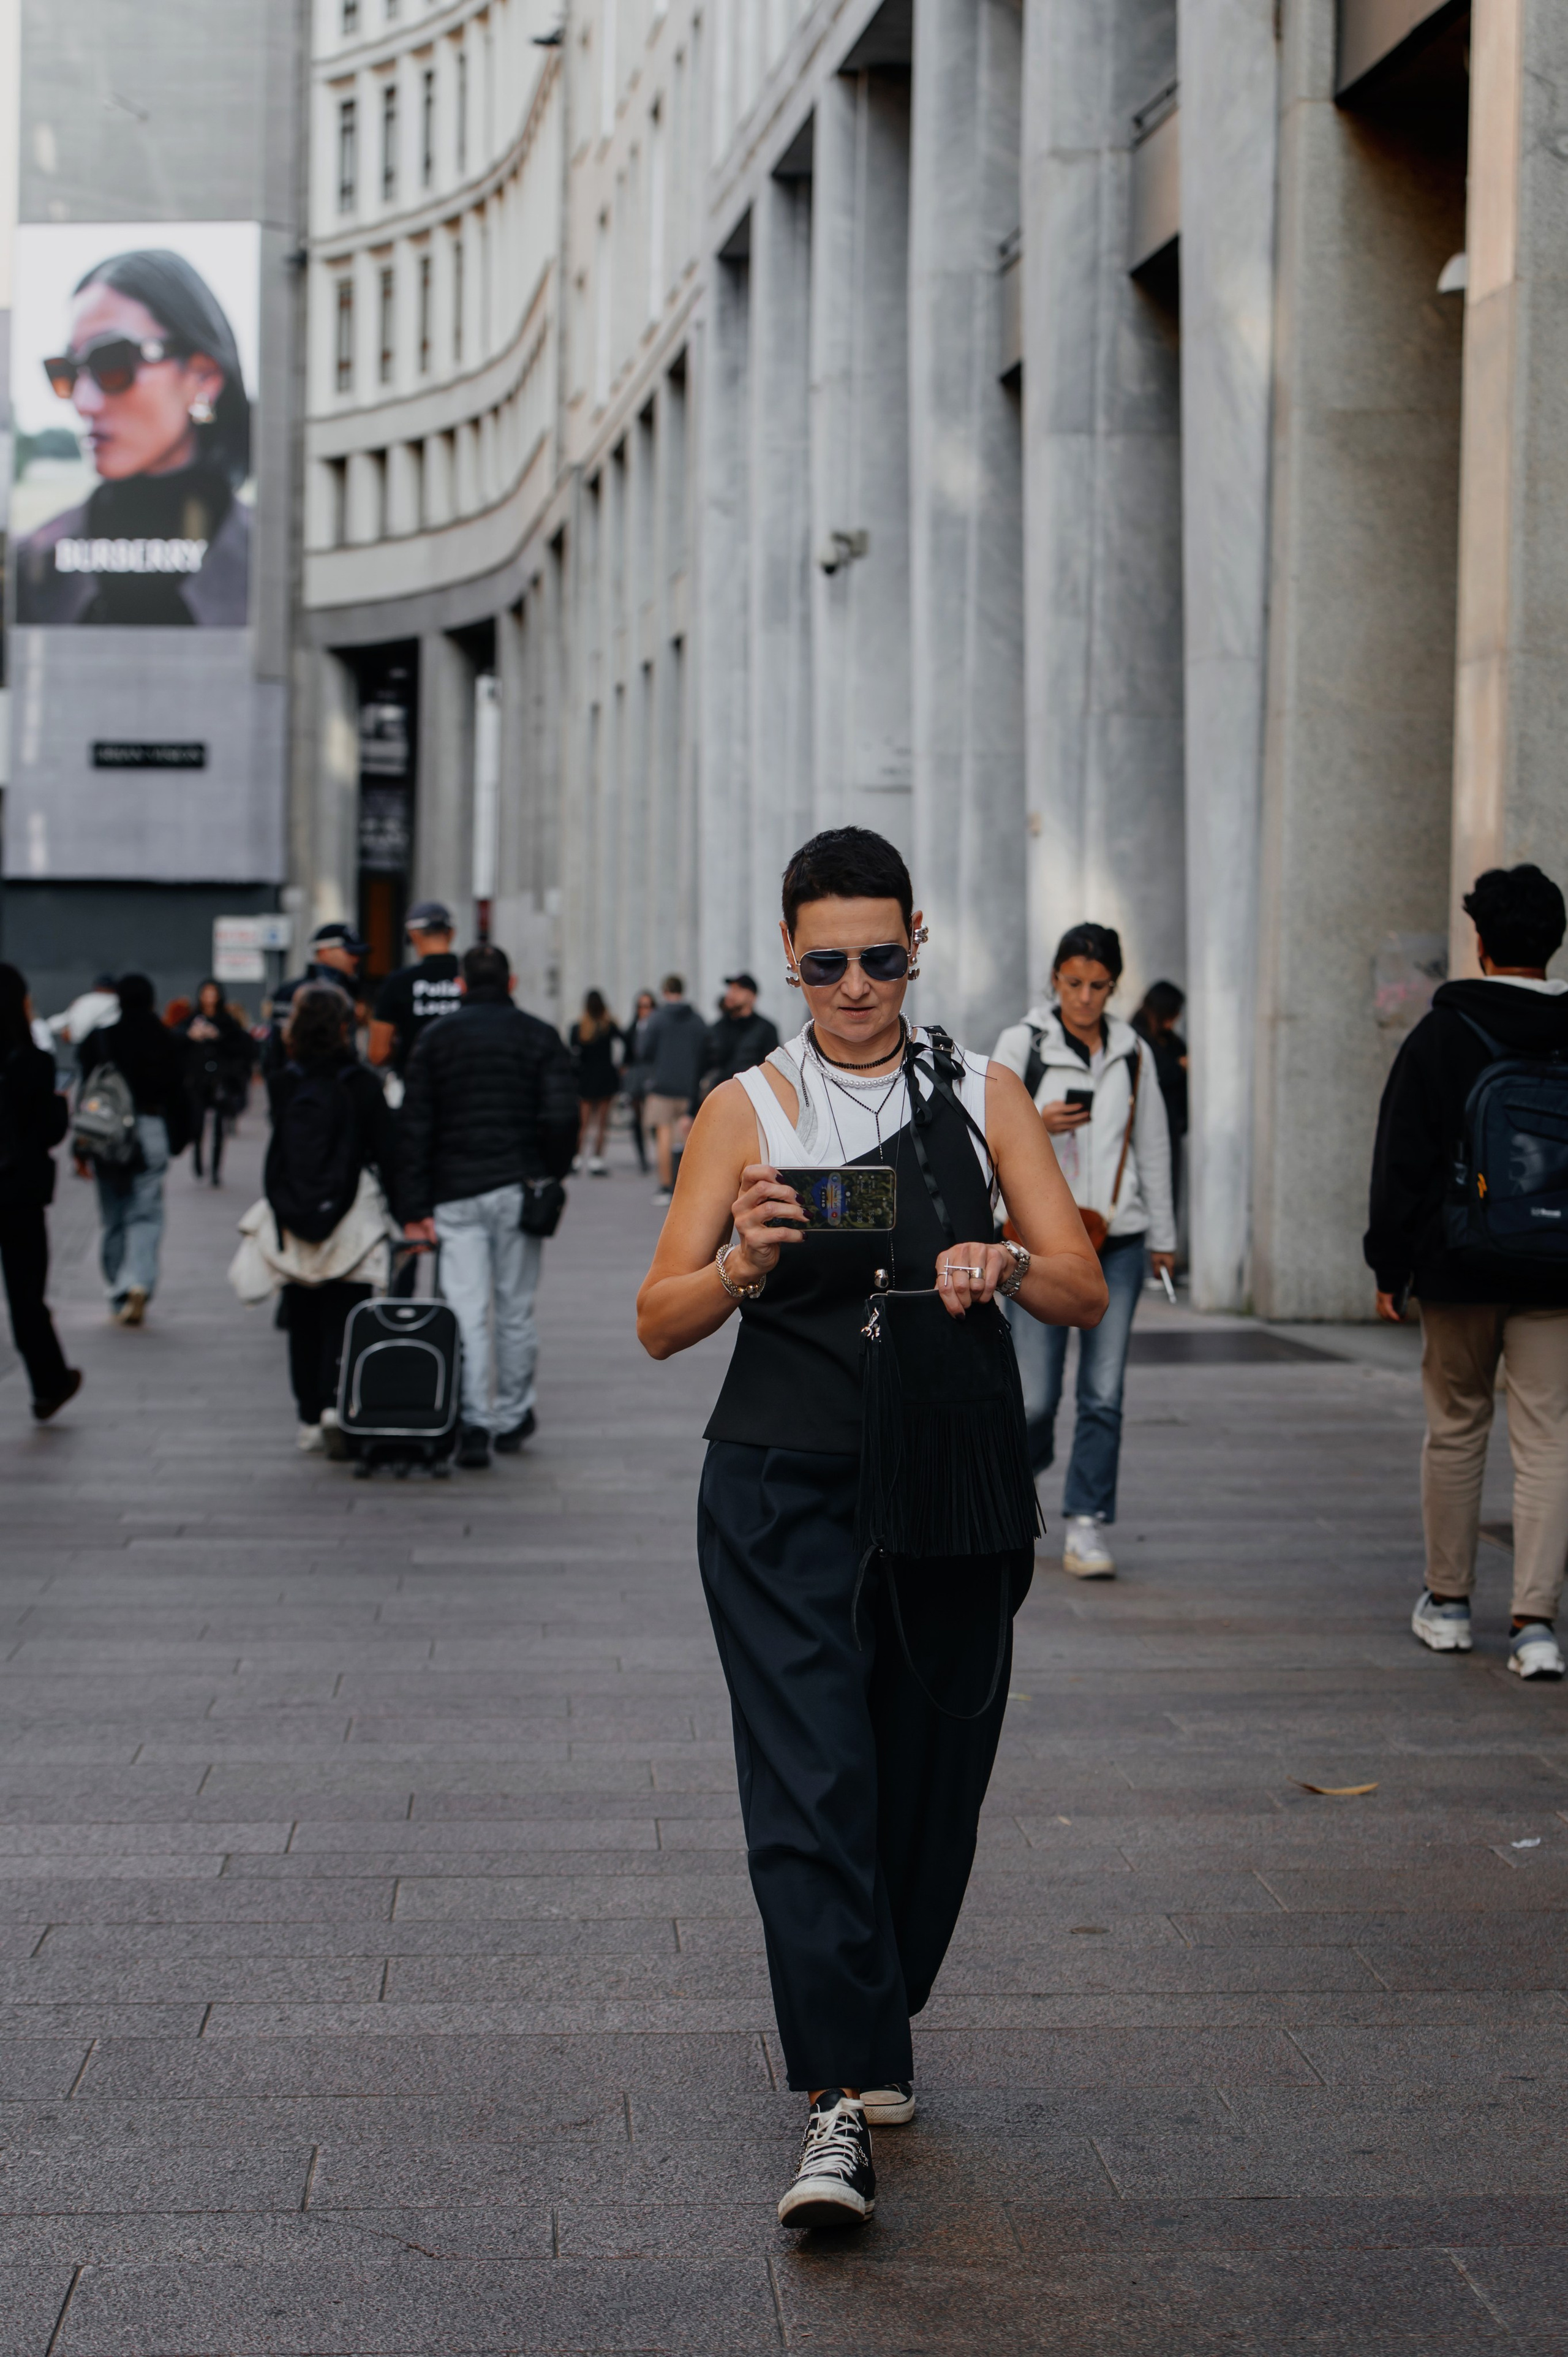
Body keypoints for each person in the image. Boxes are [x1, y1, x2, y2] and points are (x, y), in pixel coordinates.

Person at [637, 824, 1106, 2231]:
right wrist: (737, 1260)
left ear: (918, 939)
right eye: (826, 959)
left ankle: (871, 1996)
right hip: (778, 1481)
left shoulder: (983, 1092)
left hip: (948, 1486)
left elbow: (1080, 1282)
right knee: (813, 1777)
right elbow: (658, 1319)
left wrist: (1007, 1258)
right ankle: (833, 2096)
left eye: (879, 955)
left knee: (926, 1775)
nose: (853, 984)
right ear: (788, 953)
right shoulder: (745, 1104)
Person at [1366, 864, 1568, 1680]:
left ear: (1480, 943)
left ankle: (1448, 1606)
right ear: (1553, 944)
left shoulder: (1442, 1035)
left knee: (1455, 1425)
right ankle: (1535, 1625)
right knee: (1549, 1436)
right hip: (1558, 1270)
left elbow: (1402, 1159)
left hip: (1456, 1263)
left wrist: (1391, 1262)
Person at [992, 924, 1176, 1578]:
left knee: (1104, 1391)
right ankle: (1025, 1469)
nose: (1085, 998)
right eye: (1073, 983)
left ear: (1114, 986)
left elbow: (1152, 1143)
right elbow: (981, 1134)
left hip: (1117, 1240)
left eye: (1099, 986)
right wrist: (1033, 1122)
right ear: (1054, 979)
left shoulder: (1132, 1051)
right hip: (1039, 1242)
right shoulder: (1023, 1044)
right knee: (1035, 1395)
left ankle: (1087, 1522)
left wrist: (1164, 1238)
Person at [400, 943, 578, 1469]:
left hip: (455, 1191)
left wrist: (413, 1201)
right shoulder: (539, 1036)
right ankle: (512, 1415)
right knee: (515, 1309)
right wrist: (550, 1172)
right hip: (517, 1186)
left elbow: (414, 1127)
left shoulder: (435, 1040)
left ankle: (474, 1420)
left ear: (460, 985)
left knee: (466, 1310)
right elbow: (563, 1117)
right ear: (512, 981)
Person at [15, 246, 251, 627]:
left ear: (203, 377)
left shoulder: (273, 562)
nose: (83, 402)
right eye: (67, 372)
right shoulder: (29, 565)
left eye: (112, 363)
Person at [264, 984, 398, 1452]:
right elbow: (388, 1152)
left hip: (296, 1209)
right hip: (350, 1212)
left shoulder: (285, 1081)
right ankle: (335, 1404)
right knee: (348, 1312)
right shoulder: (362, 1083)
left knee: (302, 1314)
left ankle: (307, 1411)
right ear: (345, 1027)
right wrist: (411, 1215)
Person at [78, 973, 190, 1327]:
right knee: (146, 1213)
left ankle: (117, 1290)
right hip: (151, 1128)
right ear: (152, 1001)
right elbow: (180, 1093)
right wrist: (179, 1139)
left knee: (112, 1216)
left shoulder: (99, 1040)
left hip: (107, 1134)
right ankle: (138, 1281)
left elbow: (86, 1093)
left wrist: (80, 1148)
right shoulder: (166, 1040)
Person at [0, 965, 80, 1421]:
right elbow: (50, 1131)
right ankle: (49, 1384)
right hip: (20, 1194)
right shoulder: (34, 1061)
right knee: (27, 1295)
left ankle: (52, 1382)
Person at [368, 901, 464, 1079]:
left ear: (414, 935)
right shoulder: (471, 977)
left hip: (415, 1085)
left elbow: (378, 1054)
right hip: (466, 1085)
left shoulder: (399, 982)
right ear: (451, 933)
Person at [179, 978, 254, 1186]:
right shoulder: (192, 1019)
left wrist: (217, 1036)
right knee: (197, 1123)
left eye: (213, 994)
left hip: (221, 1079)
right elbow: (177, 1040)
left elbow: (242, 1045)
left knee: (220, 1126)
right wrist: (191, 1036)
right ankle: (197, 1162)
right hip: (197, 1078)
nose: (210, 998)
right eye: (206, 993)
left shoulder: (226, 1021)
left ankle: (215, 1170)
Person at [265, 923, 368, 1073]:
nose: (356, 959)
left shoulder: (351, 990)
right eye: (350, 952)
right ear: (325, 951)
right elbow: (278, 1048)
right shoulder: (295, 992)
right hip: (304, 1082)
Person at [644, 974, 707, 1205]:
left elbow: (645, 1050)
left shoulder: (657, 1018)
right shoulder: (696, 1019)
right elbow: (706, 1049)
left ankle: (665, 1186)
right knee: (689, 1139)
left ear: (664, 992)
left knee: (664, 1136)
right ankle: (687, 1188)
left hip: (662, 1084)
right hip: (689, 1086)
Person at [1132, 979, 1188, 1215]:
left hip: (1171, 1126)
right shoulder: (1135, 1040)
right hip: (1141, 1127)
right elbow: (1156, 1074)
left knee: (1166, 1190)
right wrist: (1179, 1067)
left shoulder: (1171, 1040)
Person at [701, 972, 780, 1098]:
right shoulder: (717, 1028)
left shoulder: (766, 1029)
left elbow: (773, 1070)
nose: (731, 994)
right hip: (719, 1098)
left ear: (752, 996)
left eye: (738, 990)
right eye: (730, 989)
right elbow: (703, 1066)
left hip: (753, 1098)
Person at [571, 990, 622, 1175]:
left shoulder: (579, 1027)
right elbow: (627, 1043)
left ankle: (576, 1159)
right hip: (606, 1077)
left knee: (583, 1123)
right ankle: (596, 1160)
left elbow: (574, 1055)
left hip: (586, 1078)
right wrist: (621, 1066)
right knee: (601, 1123)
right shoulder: (608, 1025)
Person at [622, 989, 658, 1174]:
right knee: (637, 1118)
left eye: (649, 1006)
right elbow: (626, 1056)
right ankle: (643, 1157)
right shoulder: (632, 1029)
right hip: (636, 1077)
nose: (645, 1010)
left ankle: (659, 1155)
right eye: (641, 1006)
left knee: (654, 1119)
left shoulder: (659, 1028)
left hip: (653, 1076)